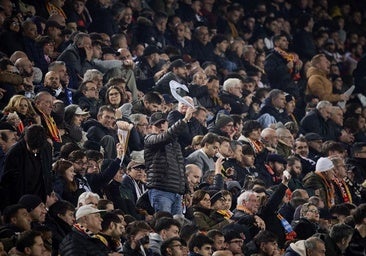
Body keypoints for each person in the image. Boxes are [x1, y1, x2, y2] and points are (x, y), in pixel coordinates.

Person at [144, 108, 195, 215]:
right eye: (157, 125)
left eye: (163, 123)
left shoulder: (175, 144)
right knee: (164, 224)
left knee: (177, 227)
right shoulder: (150, 139)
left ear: (167, 124)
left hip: (176, 193)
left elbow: (180, 169)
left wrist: (186, 191)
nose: (161, 126)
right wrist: (184, 120)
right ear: (150, 127)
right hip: (161, 191)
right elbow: (165, 137)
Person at [0, 124, 53, 209]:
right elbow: (6, 183)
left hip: (40, 197)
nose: (35, 151)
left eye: (37, 149)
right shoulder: (14, 153)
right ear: (25, 139)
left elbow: (48, 171)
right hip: (20, 199)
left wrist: (48, 191)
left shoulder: (46, 148)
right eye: (32, 148)